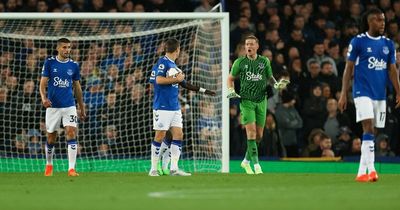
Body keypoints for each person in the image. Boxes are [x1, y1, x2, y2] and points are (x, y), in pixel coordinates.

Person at [338, 8, 400, 182]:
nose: (382, 23)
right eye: (378, 20)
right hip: (362, 91)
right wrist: (344, 93)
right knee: (368, 127)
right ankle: (372, 170)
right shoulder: (358, 42)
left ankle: (360, 172)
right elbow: (348, 68)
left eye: (383, 20)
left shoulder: (388, 44)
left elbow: (392, 70)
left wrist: (398, 90)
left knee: (373, 132)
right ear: (369, 22)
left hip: (380, 94)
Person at [148, 38, 215, 176]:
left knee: (178, 134)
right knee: (160, 135)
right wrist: (175, 80)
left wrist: (205, 91)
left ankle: (174, 169)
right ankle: (153, 169)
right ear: (177, 49)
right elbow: (158, 80)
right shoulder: (162, 62)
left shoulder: (175, 67)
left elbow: (185, 84)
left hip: (175, 107)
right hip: (162, 106)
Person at [227, 35, 288, 174]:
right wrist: (231, 90)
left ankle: (246, 161)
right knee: (252, 133)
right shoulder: (239, 62)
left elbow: (269, 77)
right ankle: (256, 165)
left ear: (257, 46)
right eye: (247, 44)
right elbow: (230, 78)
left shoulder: (264, 61)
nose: (249, 46)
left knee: (259, 135)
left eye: (251, 44)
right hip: (247, 101)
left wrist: (277, 84)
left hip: (262, 101)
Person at [39, 38, 86, 177]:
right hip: (53, 107)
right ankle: (49, 164)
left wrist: (81, 107)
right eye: (64, 47)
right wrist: (44, 99)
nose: (67, 50)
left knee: (71, 132)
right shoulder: (50, 62)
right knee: (51, 138)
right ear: (58, 48)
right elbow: (42, 84)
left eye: (69, 47)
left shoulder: (74, 65)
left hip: (69, 106)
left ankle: (71, 169)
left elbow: (77, 87)